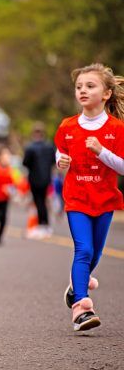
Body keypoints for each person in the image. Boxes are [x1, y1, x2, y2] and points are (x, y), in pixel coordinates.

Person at [56, 63, 124, 332]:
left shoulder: (117, 129)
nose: (83, 90)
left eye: (90, 86)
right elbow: (60, 152)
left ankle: (76, 287)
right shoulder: (68, 126)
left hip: (105, 200)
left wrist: (101, 152)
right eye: (79, 87)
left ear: (106, 93)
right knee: (83, 250)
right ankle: (81, 307)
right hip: (77, 199)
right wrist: (61, 161)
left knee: (94, 254)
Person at [22, 122, 55, 239]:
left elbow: (25, 163)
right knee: (44, 201)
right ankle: (46, 225)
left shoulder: (30, 147)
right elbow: (53, 161)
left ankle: (42, 225)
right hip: (46, 178)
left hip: (35, 179)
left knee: (39, 202)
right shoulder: (50, 146)